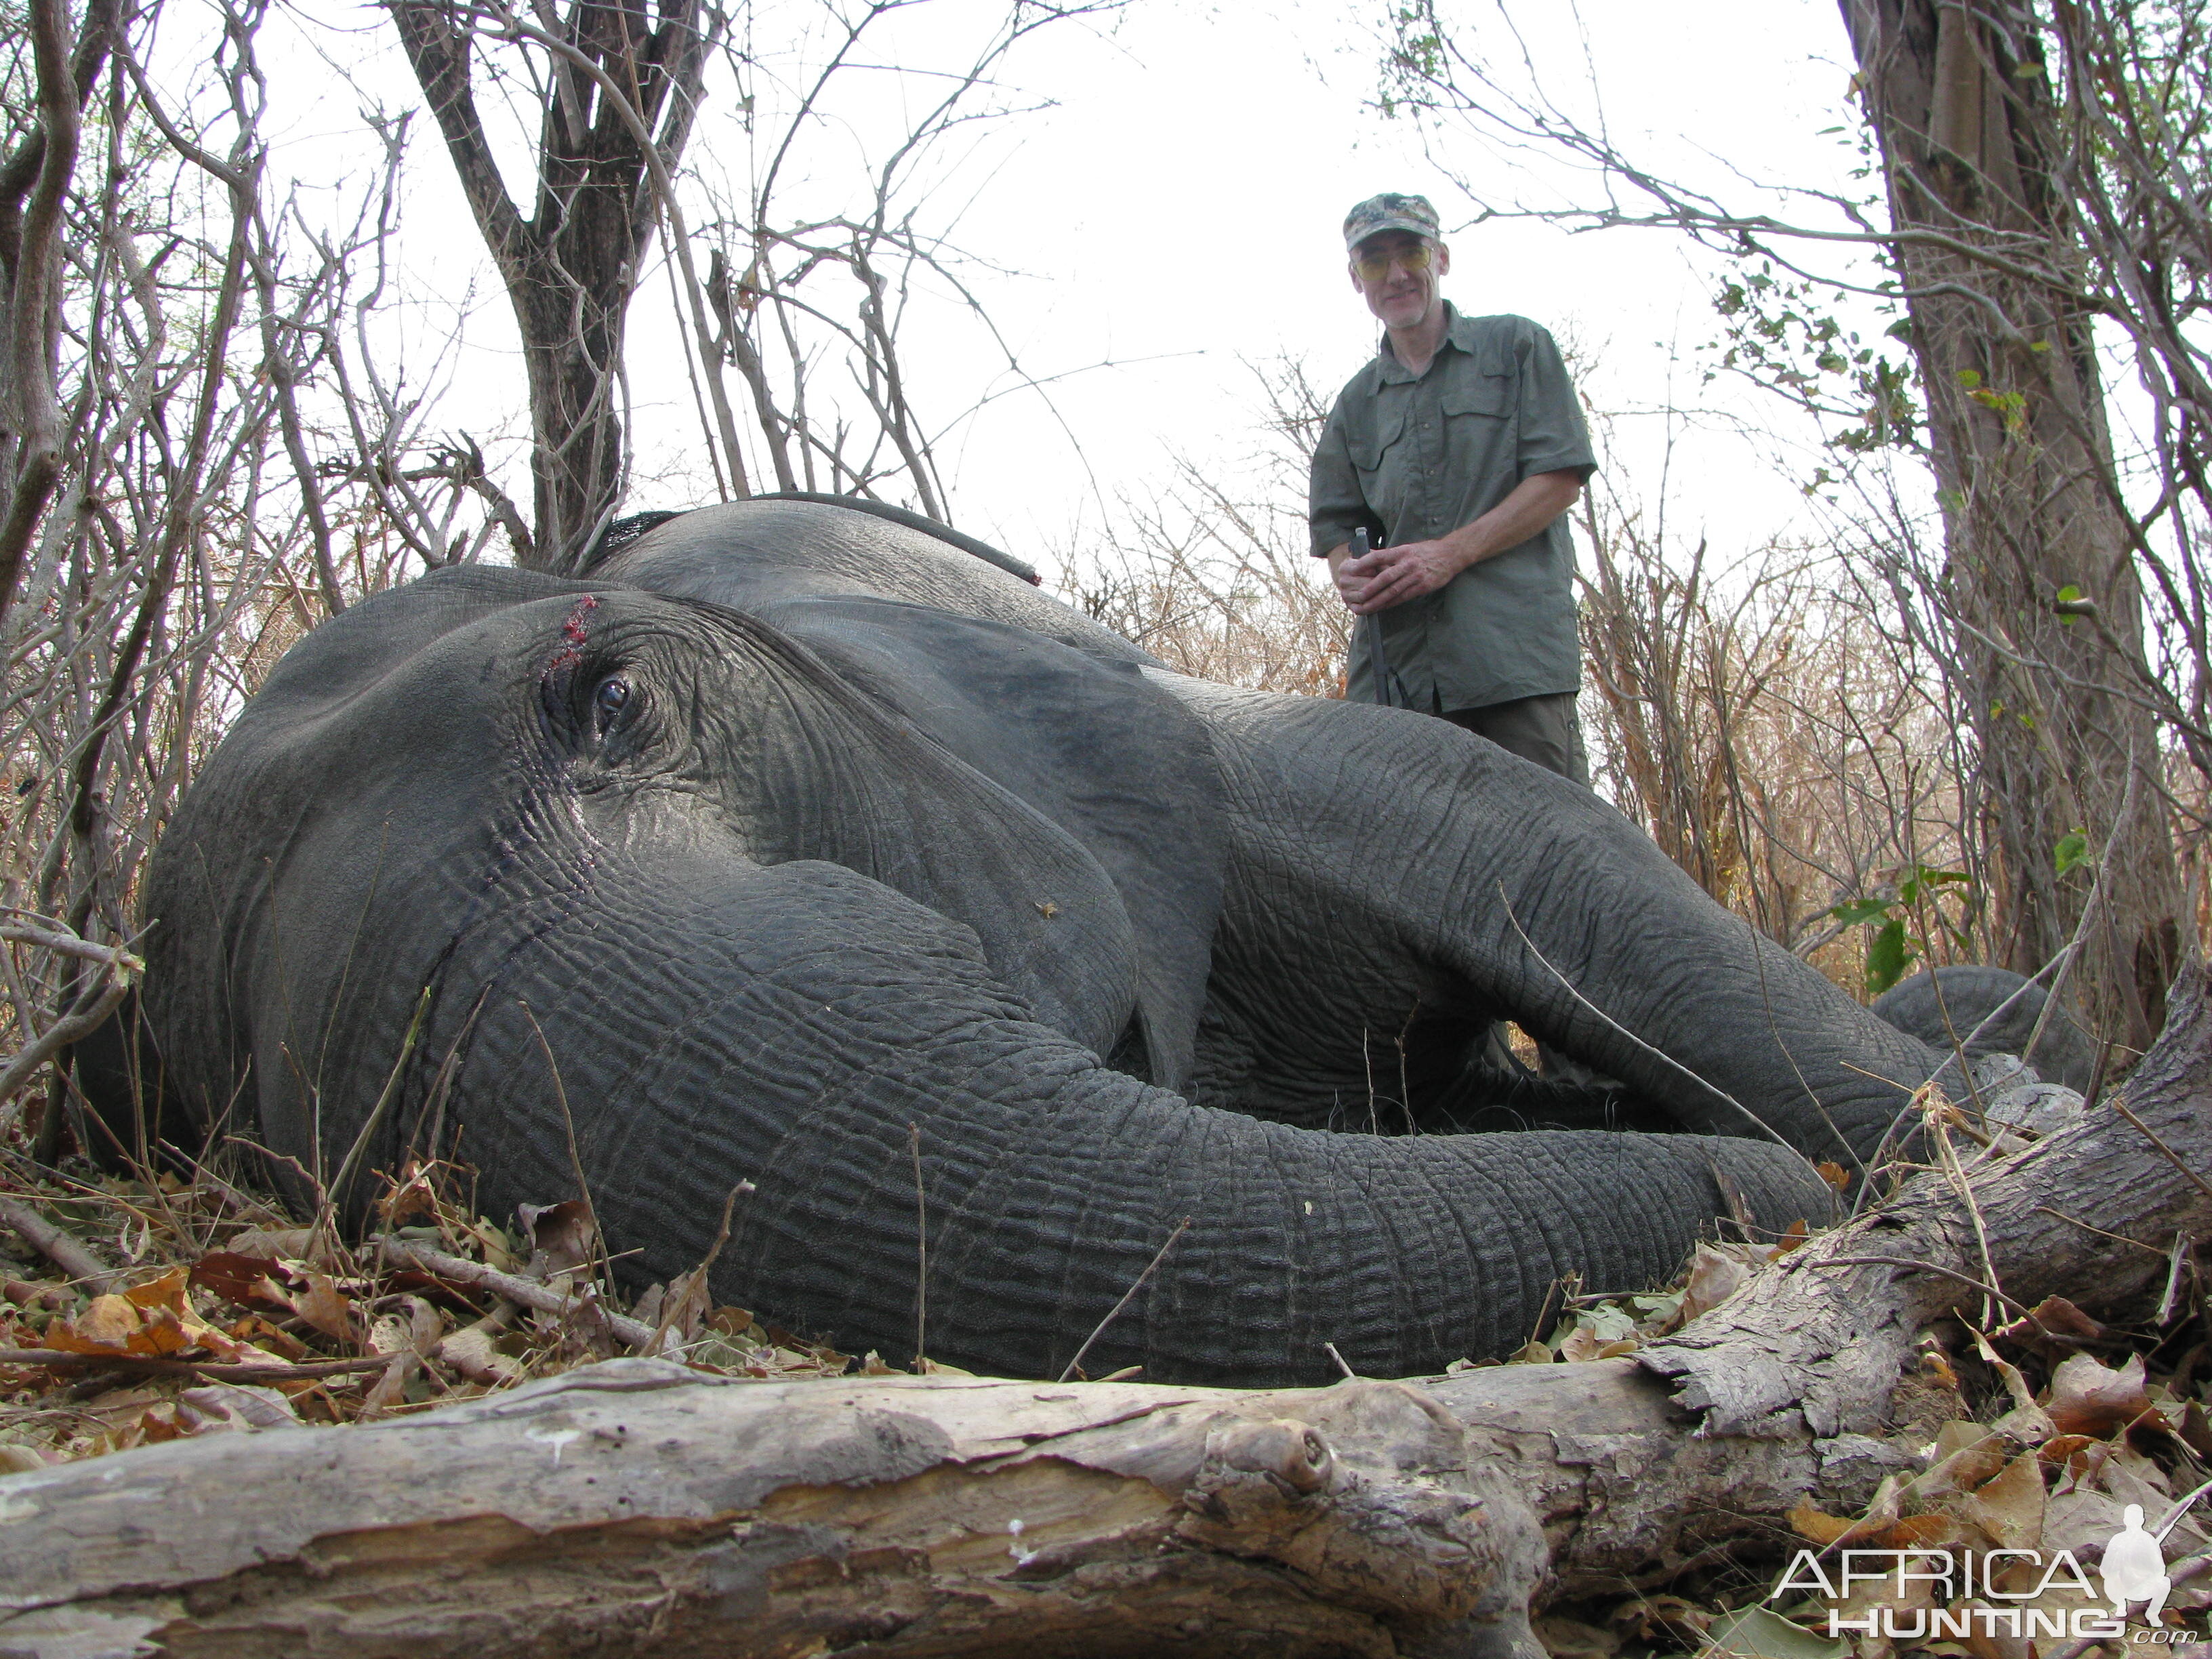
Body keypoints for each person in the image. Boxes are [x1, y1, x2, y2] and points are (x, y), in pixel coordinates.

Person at [1310, 192, 1599, 783]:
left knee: (1555, 857)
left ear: (1440, 258)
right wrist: (1351, 574)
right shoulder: (1356, 403)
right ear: (1355, 279)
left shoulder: (1518, 348)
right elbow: (1337, 524)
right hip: (1399, 682)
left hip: (1513, 663)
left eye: (1410, 253)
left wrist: (1451, 554)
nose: (1396, 275)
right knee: (1405, 862)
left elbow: (1560, 480)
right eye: (1374, 262)